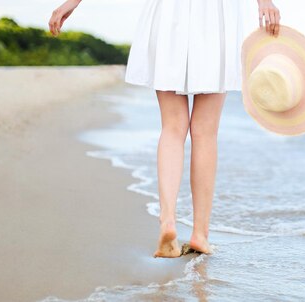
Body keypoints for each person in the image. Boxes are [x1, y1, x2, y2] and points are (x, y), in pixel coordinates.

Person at [48, 0, 281, 258]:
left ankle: (168, 220)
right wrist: (265, 2)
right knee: (205, 132)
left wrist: (71, 3)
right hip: (217, 15)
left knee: (172, 127)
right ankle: (200, 235)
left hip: (170, 12)